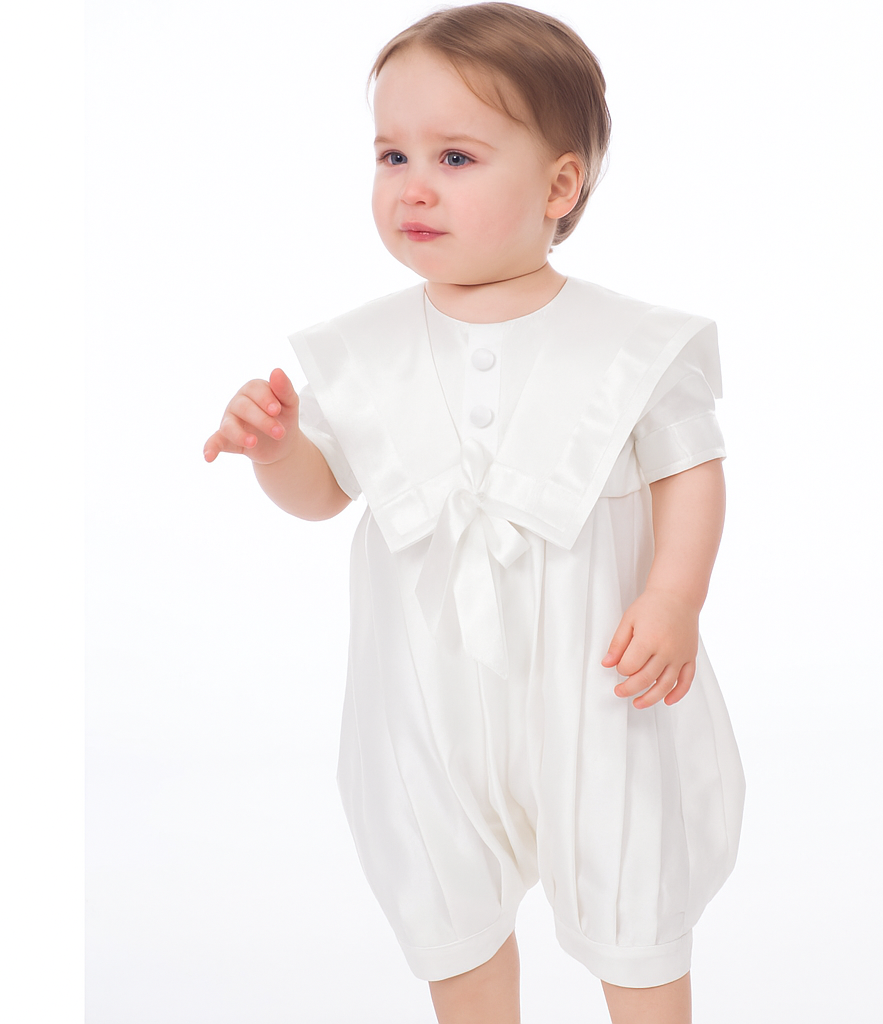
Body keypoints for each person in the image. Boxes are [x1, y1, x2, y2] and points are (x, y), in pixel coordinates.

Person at [203, 4, 744, 1022]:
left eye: (454, 157)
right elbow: (324, 494)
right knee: (443, 885)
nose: (412, 185)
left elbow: (691, 469)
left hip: (599, 676)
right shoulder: (361, 352)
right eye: (391, 155)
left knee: (628, 870)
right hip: (425, 687)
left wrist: (674, 597)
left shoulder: (631, 344)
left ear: (559, 186)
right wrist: (277, 452)